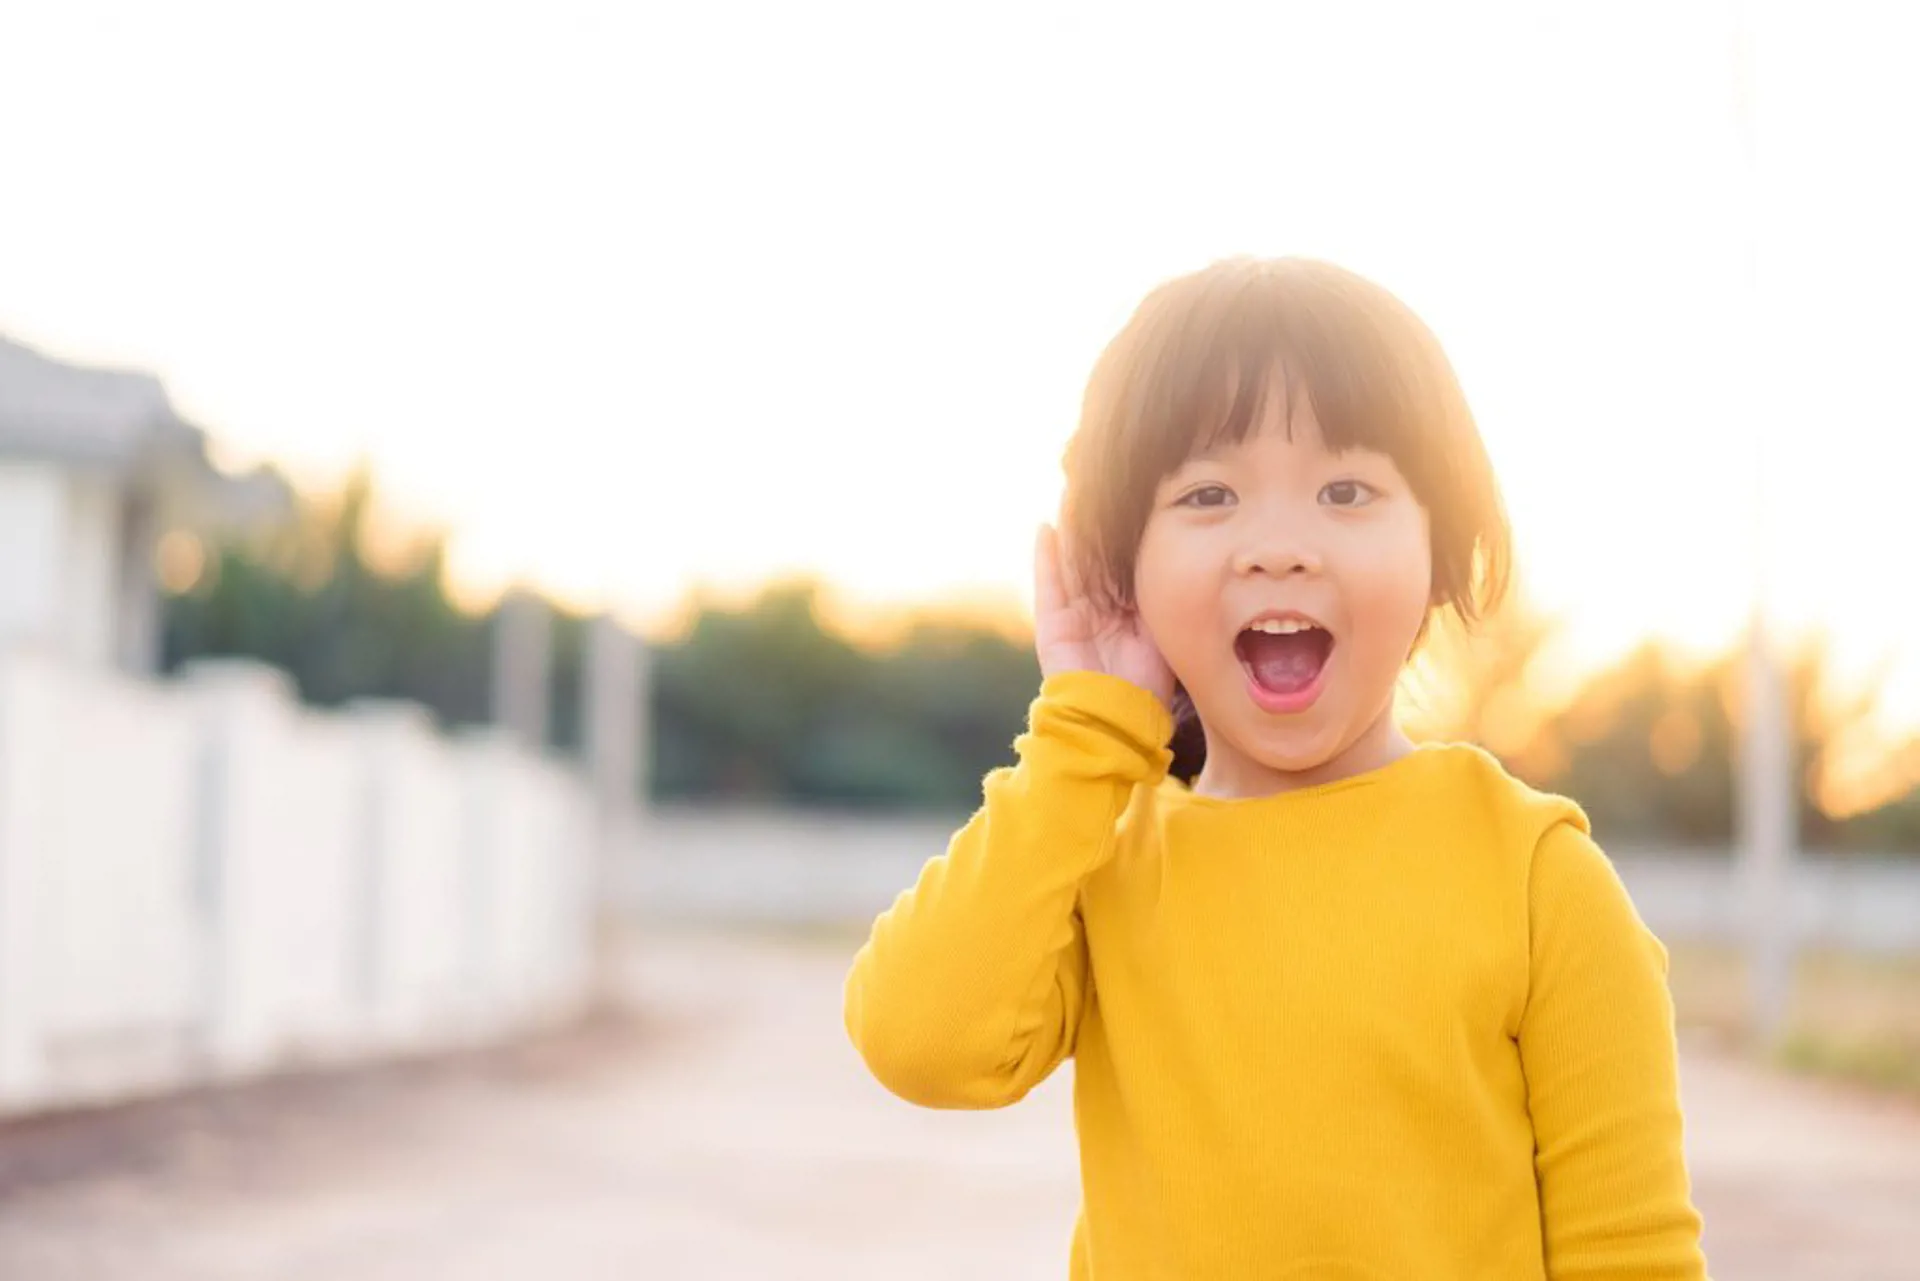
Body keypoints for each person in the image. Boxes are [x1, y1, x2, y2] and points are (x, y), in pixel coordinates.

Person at [842, 256, 1710, 1278]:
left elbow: (1631, 1252)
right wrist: (1086, 734)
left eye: (1348, 490)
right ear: (1123, 570)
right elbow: (920, 1039)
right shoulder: (1102, 862)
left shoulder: (1536, 878)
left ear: (1442, 551)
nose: (1278, 547)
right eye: (1208, 494)